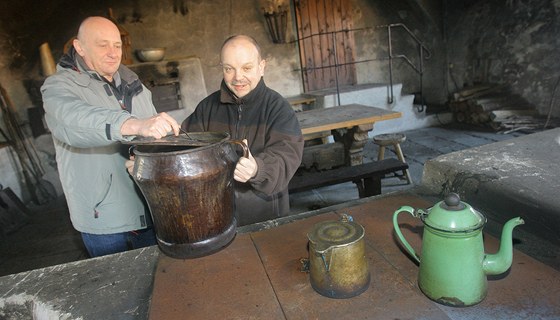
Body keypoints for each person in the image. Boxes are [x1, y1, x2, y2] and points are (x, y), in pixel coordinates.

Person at [41, 16, 181, 257]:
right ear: (79, 47)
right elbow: (74, 120)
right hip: (105, 218)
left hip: (149, 207)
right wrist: (134, 125)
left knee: (157, 283)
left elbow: (149, 138)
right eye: (102, 44)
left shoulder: (133, 83)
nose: (112, 52)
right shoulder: (59, 87)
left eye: (116, 45)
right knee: (115, 287)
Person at [181, 35, 304, 226]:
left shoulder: (278, 108)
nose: (238, 77)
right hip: (216, 216)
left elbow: (286, 157)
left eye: (247, 68)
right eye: (229, 69)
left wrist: (257, 169)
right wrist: (152, 156)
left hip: (266, 217)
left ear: (261, 67)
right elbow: (184, 145)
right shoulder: (207, 108)